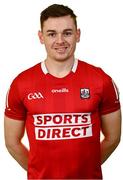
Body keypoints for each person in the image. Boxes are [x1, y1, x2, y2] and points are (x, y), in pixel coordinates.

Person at [4, 4, 121, 180]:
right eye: (52, 34)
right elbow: (12, 142)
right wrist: (39, 171)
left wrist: (87, 167)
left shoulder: (101, 80)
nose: (60, 41)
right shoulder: (21, 84)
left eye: (67, 33)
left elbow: (113, 138)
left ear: (78, 35)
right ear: (41, 37)